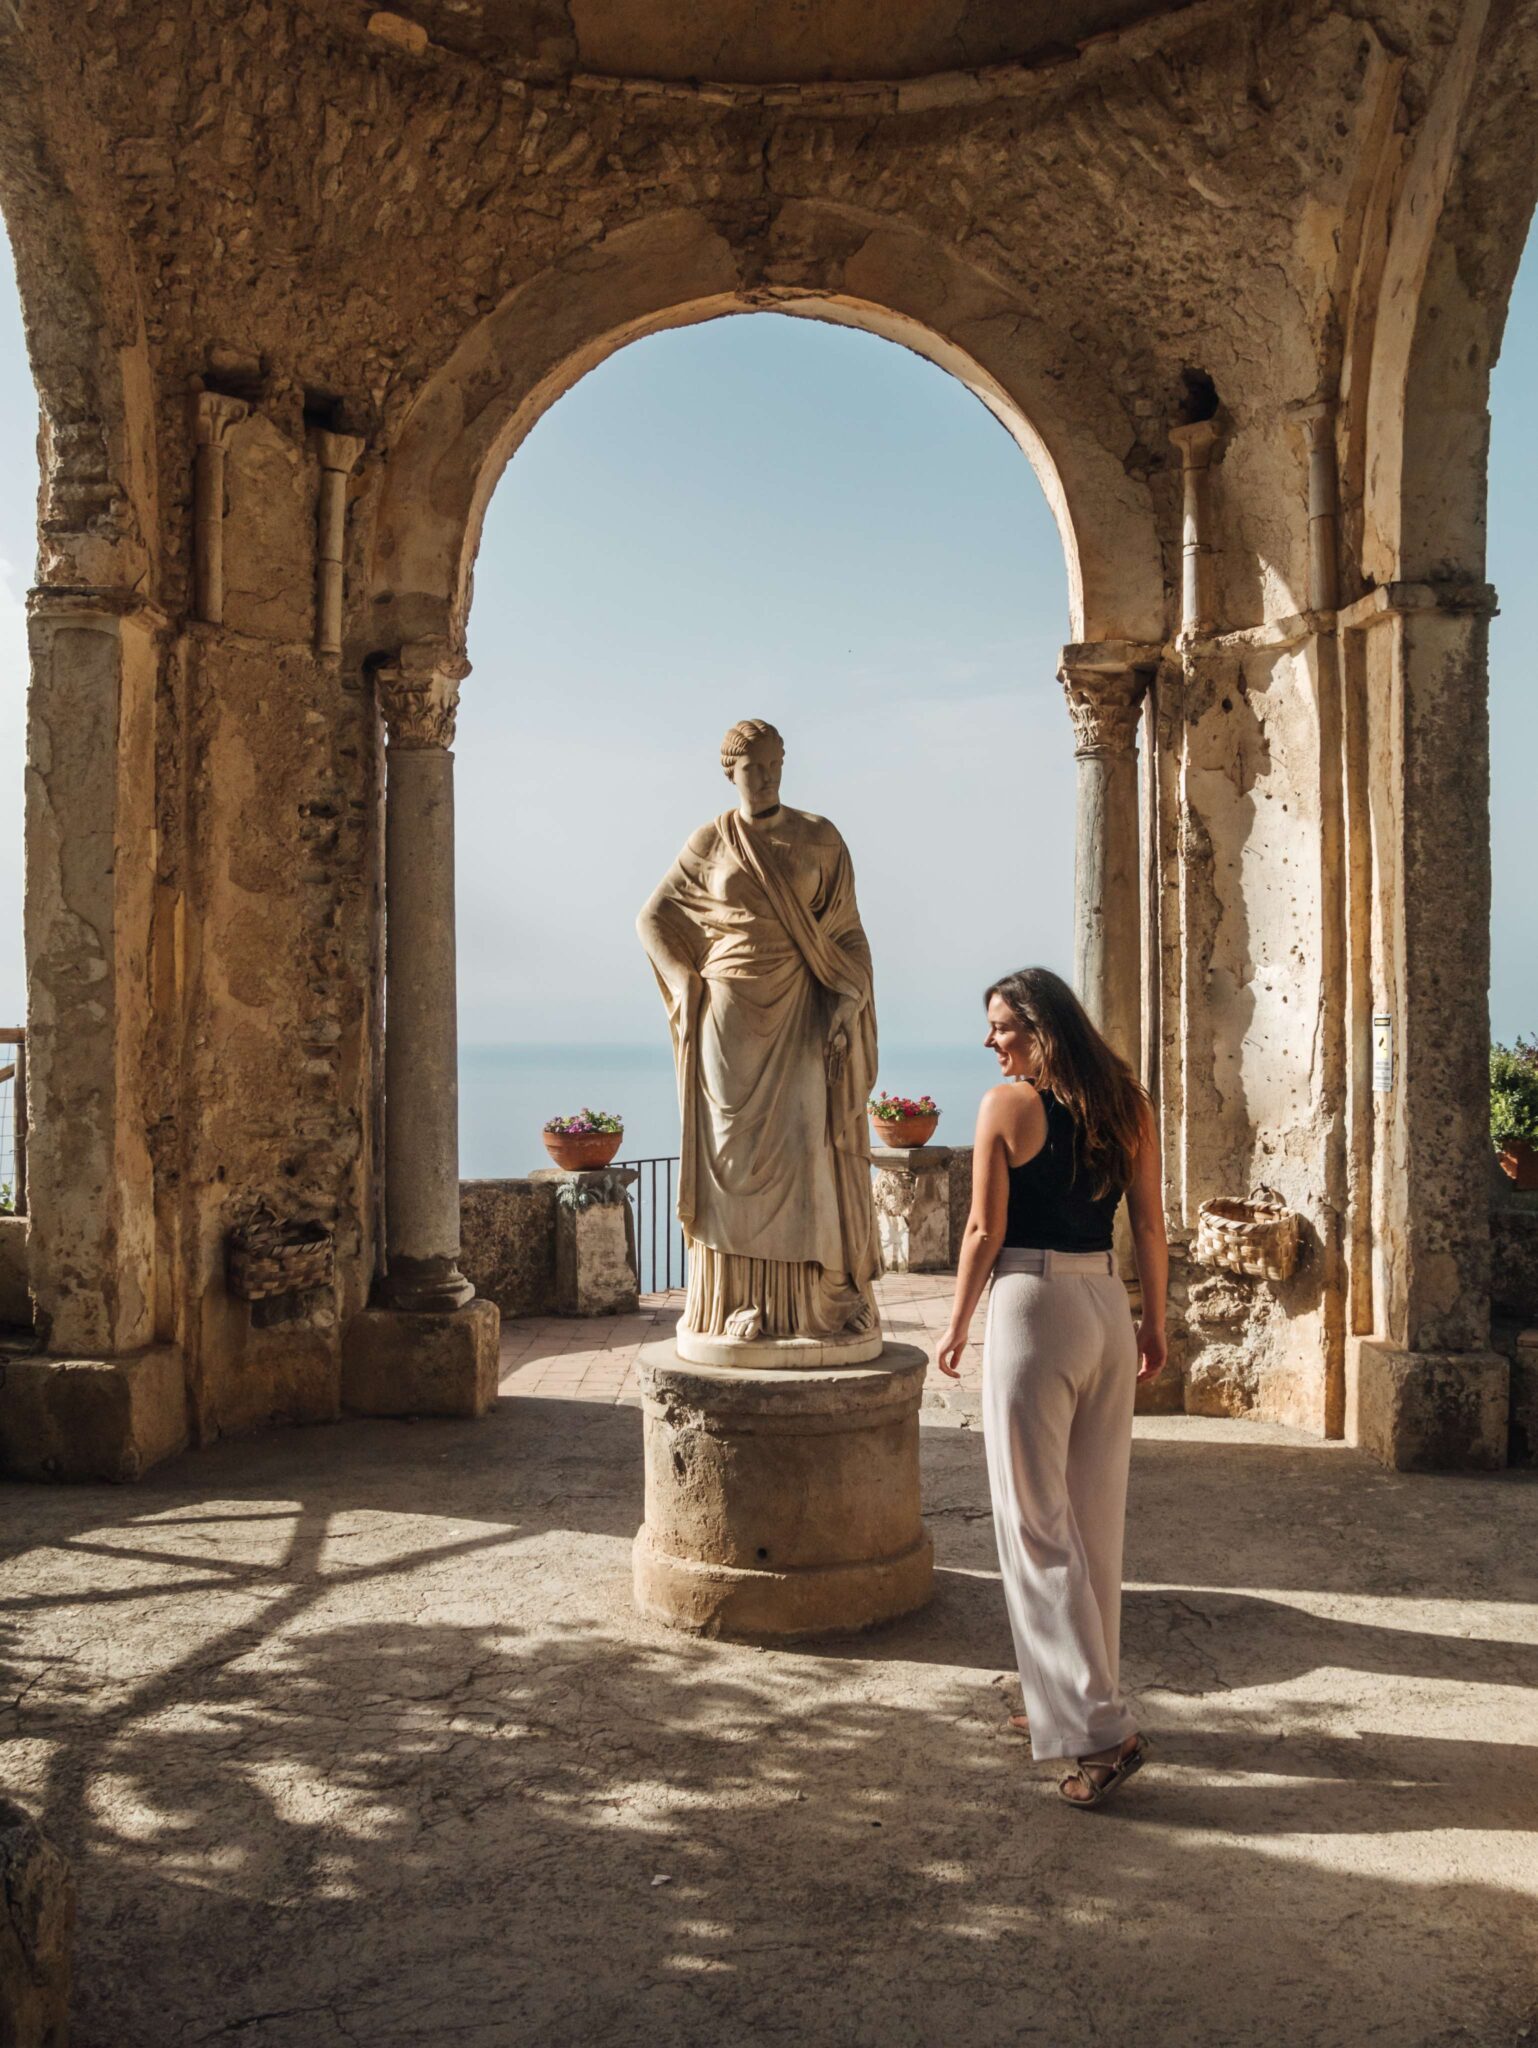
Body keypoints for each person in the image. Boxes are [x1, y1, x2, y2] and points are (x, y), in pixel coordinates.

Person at [936, 966, 1167, 1807]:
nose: (992, 1043)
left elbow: (982, 1229)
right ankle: (1064, 1704)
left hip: (1034, 1308)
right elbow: (1149, 1223)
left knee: (1035, 1522)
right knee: (1094, 1522)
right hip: (1106, 1301)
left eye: (1001, 1027)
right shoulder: (1127, 1103)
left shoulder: (1008, 1108)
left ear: (1037, 1029)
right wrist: (1155, 1323)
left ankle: (1102, 1733)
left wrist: (957, 1322)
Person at [636, 719, 880, 1346]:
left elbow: (848, 934)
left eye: (775, 764)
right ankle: (735, 1304)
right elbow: (654, 919)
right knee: (732, 1163)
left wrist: (847, 1001)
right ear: (731, 771)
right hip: (726, 1018)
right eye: (754, 767)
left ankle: (812, 1303)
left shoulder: (820, 839)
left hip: (799, 1008)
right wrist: (685, 982)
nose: (768, 776)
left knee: (806, 1145)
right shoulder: (709, 841)